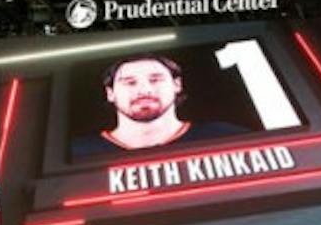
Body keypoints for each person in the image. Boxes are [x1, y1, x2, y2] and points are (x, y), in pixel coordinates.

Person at [72, 54, 241, 159]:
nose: (144, 89)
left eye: (155, 80)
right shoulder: (78, 152)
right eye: (130, 82)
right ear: (110, 93)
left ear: (177, 85)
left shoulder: (224, 136)